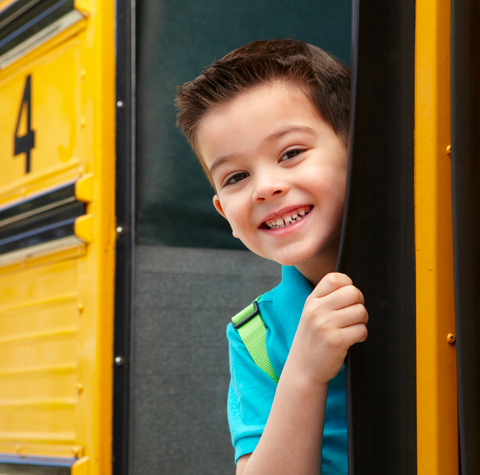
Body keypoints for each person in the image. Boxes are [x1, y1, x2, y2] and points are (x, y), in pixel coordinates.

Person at [175, 39, 368, 475]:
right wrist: (304, 369)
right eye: (237, 176)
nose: (266, 187)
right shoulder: (255, 337)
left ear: (359, 152)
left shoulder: (440, 269)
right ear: (225, 211)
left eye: (291, 153)